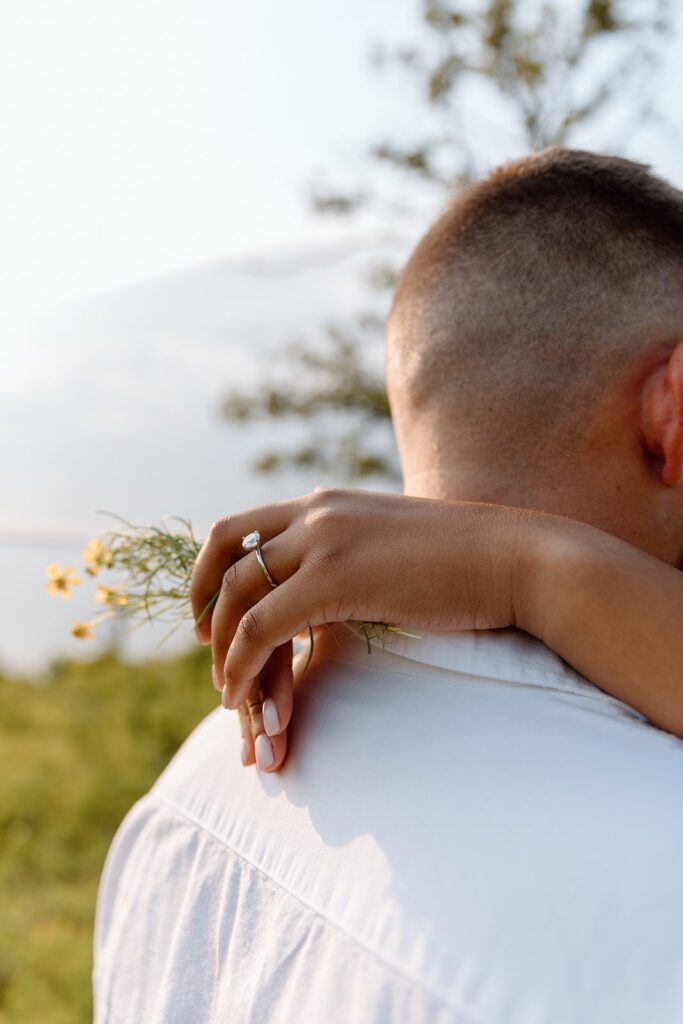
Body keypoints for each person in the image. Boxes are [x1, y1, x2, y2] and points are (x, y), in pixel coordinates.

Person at [93, 149, 683, 1023]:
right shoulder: (653, 882)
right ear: (670, 408)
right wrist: (528, 569)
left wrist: (526, 567)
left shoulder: (185, 796)